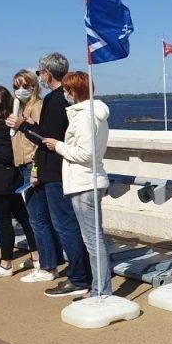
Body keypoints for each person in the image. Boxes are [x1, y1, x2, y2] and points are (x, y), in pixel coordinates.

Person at [6, 53, 91, 297]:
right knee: (67, 224)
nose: (40, 77)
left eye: (40, 73)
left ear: (47, 74)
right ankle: (81, 273)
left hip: (55, 171)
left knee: (65, 225)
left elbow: (47, 138)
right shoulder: (62, 99)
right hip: (58, 169)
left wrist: (22, 126)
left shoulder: (55, 100)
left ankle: (78, 277)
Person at [41, 71, 112, 298]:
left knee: (93, 240)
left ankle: (100, 292)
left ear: (74, 91)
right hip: (89, 180)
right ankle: (99, 289)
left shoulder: (84, 116)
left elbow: (85, 153)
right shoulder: (94, 114)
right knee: (94, 238)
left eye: (66, 91)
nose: (65, 94)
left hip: (83, 183)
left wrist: (58, 146)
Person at [0, 86, 38, 280]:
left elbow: (6, 154)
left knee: (5, 222)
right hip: (9, 179)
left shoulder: (3, 125)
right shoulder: (5, 123)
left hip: (1, 180)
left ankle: (6, 264)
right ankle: (36, 256)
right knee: (23, 218)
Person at [10, 69, 52, 281]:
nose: (20, 90)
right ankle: (46, 259)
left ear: (34, 86)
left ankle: (46, 265)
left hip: (32, 165)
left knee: (38, 218)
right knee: (35, 216)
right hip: (20, 164)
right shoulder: (19, 108)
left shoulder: (37, 107)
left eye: (25, 86)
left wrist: (35, 169)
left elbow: (40, 140)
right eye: (16, 86)